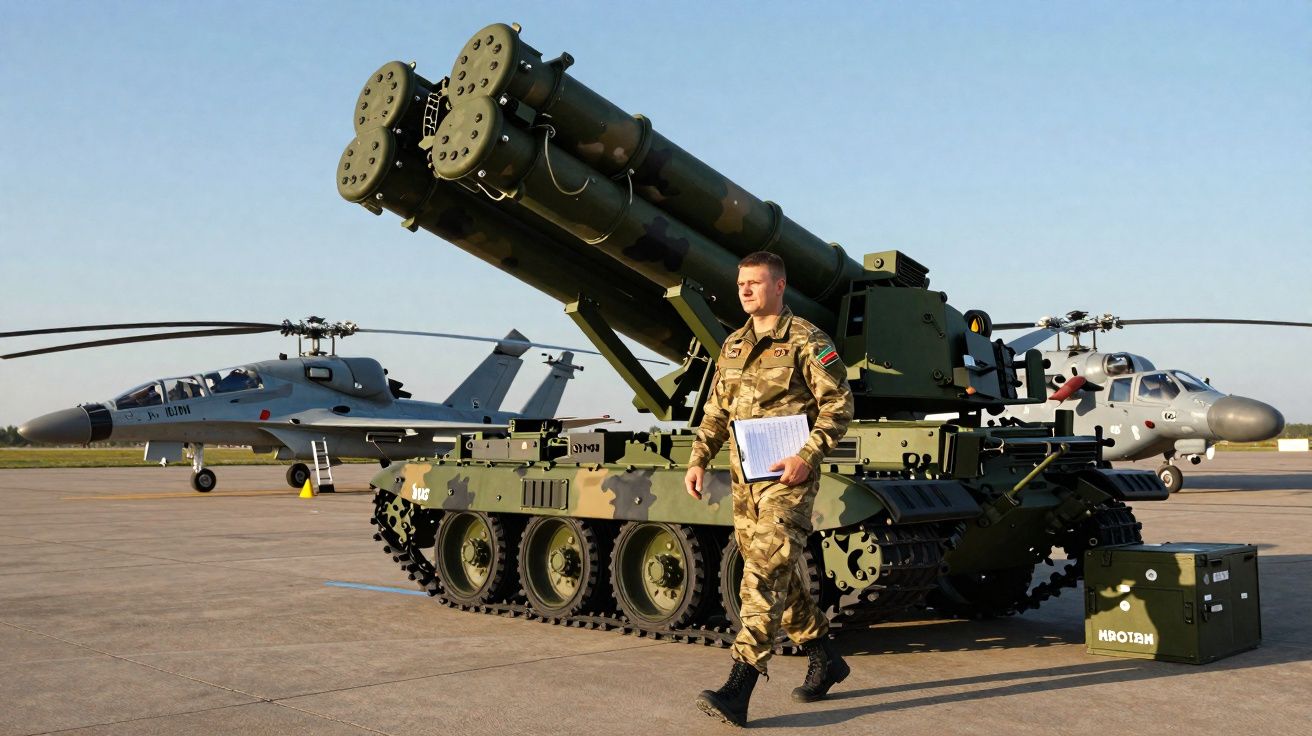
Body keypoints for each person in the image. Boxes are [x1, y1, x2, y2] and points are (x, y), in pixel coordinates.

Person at [685, 251, 855, 726]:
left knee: (760, 573)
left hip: (787, 479)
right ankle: (825, 655)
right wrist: (699, 459)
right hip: (745, 480)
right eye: (741, 283)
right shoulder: (734, 344)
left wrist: (807, 457)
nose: (744, 290)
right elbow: (717, 411)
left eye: (754, 283)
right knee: (777, 573)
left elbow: (838, 404)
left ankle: (738, 688)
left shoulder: (805, 339)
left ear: (779, 287)